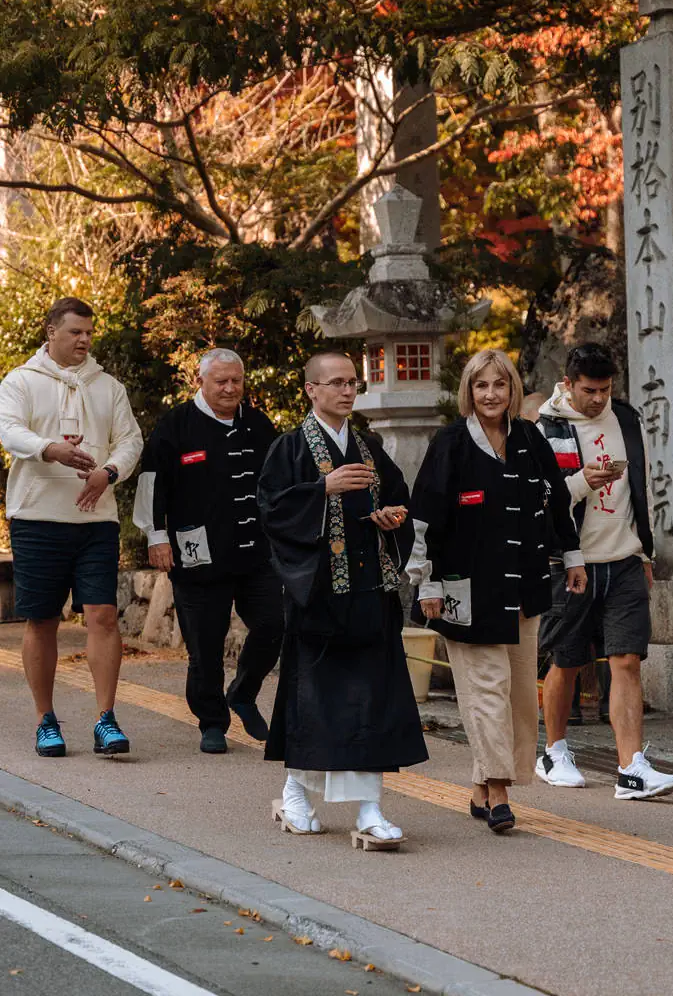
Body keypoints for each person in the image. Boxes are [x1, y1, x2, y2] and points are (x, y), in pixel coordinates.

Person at [408, 349, 586, 833]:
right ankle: (501, 792)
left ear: (512, 390)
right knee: (485, 691)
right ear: (469, 391)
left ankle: (481, 787)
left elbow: (557, 505)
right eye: (481, 385)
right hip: (464, 591)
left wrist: (572, 557)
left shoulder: (529, 438)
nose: (491, 394)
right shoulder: (450, 443)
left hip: (525, 586)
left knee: (518, 697)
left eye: (500, 385)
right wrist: (427, 581)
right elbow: (423, 520)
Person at [257, 350, 427, 848]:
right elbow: (271, 512)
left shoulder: (369, 446)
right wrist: (322, 488)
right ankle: (294, 790)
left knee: (373, 699)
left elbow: (399, 499)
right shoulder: (289, 448)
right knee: (316, 700)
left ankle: (371, 808)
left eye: (353, 382)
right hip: (319, 595)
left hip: (370, 593)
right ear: (311, 389)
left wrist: (393, 517)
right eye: (335, 383)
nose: (347, 391)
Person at [536, 342, 673, 799]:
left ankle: (631, 768)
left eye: (604, 389)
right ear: (567, 384)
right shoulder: (548, 427)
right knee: (567, 659)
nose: (597, 399)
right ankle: (554, 750)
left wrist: (644, 553)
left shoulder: (625, 418)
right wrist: (582, 481)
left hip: (623, 557)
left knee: (627, 659)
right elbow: (540, 497)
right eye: (588, 390)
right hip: (571, 561)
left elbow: (637, 488)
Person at [0, 297, 143, 758]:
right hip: (37, 517)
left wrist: (110, 473)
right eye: (75, 332)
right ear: (51, 331)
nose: (84, 340)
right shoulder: (21, 381)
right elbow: (8, 430)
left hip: (96, 519)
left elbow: (131, 439)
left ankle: (106, 720)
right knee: (42, 620)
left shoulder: (108, 386)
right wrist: (49, 449)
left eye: (88, 333)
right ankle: (46, 721)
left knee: (102, 616)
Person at [133, 348, 283, 755]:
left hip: (255, 551)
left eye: (237, 380)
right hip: (195, 551)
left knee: (274, 624)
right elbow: (151, 483)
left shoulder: (257, 423)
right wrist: (156, 536)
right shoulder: (175, 425)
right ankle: (212, 721)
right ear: (201, 381)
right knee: (206, 645)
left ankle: (243, 691)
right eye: (222, 381)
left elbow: (277, 481)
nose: (231, 388)